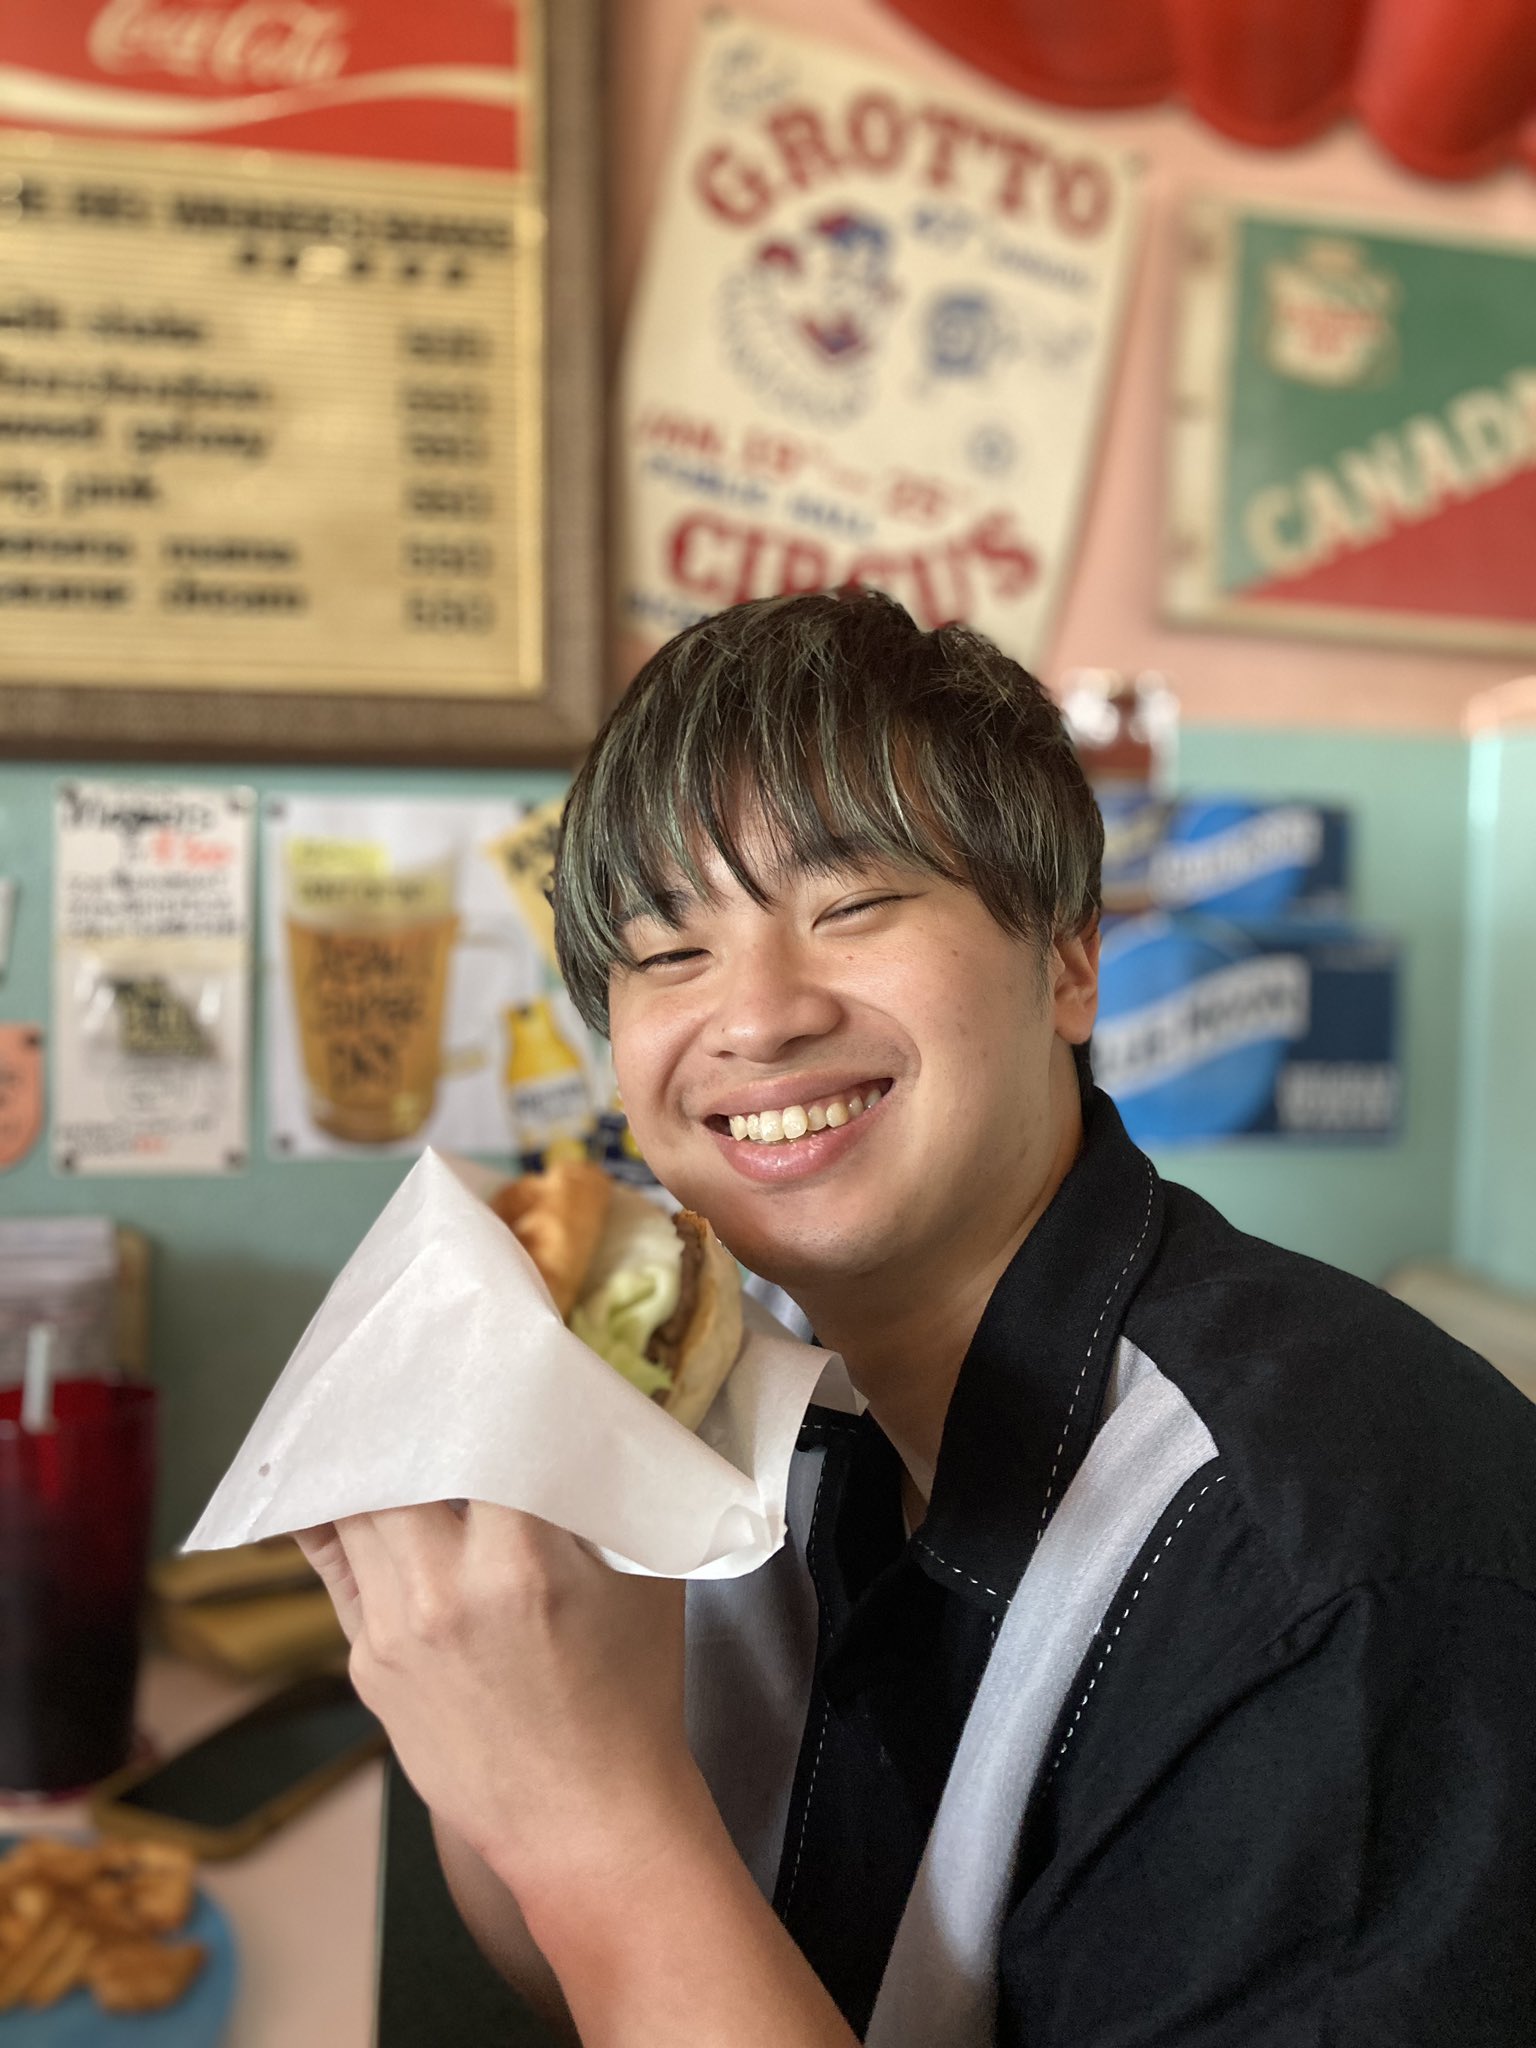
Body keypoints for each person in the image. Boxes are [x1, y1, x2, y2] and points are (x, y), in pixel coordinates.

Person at [301, 590, 1536, 2047]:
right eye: (669, 954)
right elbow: (606, 1976)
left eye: (853, 906)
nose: (756, 1017)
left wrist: (593, 1816)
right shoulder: (728, 1373)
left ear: (1067, 963)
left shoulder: (1326, 1576)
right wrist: (489, 1714)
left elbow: (616, 1887)